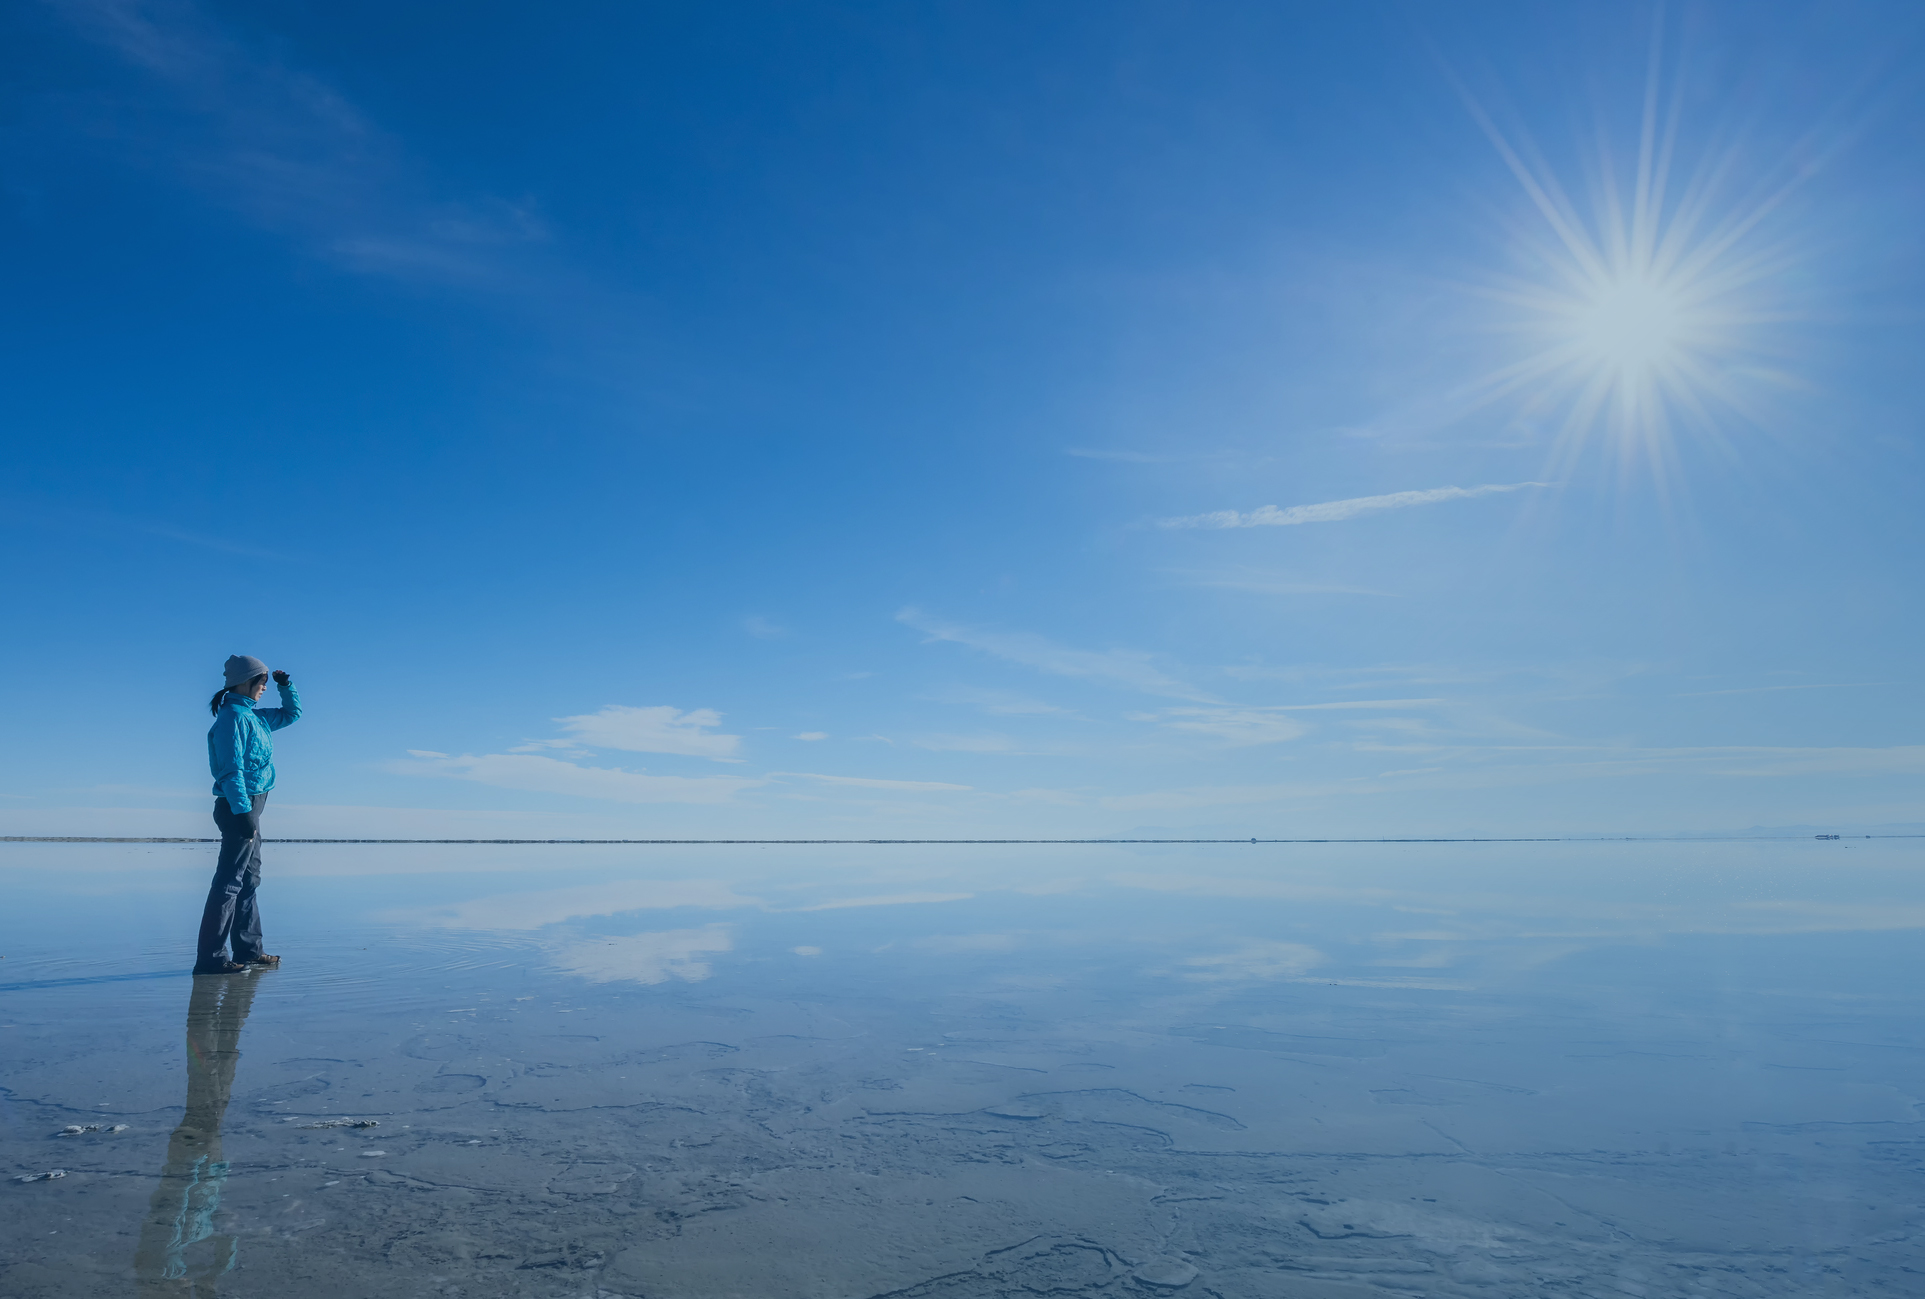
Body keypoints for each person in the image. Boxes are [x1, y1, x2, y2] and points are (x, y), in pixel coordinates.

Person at [197, 654, 301, 975]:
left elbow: (291, 714)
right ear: (245, 681)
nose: (264, 688)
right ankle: (211, 959)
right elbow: (231, 771)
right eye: (262, 682)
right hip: (237, 806)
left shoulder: (255, 717)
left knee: (249, 879)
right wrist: (243, 814)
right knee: (229, 882)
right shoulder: (231, 719)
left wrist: (287, 686)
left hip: (254, 804)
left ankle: (249, 950)